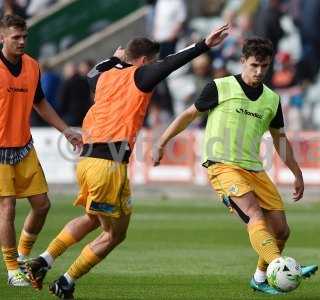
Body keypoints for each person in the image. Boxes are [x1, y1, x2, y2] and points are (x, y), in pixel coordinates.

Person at [25, 24, 230, 299]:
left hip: (87, 161)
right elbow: (171, 63)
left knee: (92, 219)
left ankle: (43, 260)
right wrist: (204, 45)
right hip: (108, 165)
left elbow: (91, 71)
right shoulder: (141, 75)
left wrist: (114, 58)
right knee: (114, 235)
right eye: (151, 62)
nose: (154, 66)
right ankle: (66, 281)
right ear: (144, 61)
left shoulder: (104, 76)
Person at [153, 37, 317, 295]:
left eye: (264, 66)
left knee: (282, 230)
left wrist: (297, 173)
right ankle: (282, 266)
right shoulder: (220, 87)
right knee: (254, 215)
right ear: (242, 62)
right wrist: (162, 141)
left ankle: (260, 278)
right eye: (254, 65)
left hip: (254, 169)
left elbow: (280, 141)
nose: (259, 71)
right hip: (222, 166)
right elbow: (188, 115)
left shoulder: (272, 100)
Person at [0, 14, 82, 287]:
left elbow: (40, 103)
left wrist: (66, 129)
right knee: (7, 208)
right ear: (2, 37)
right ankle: (13, 271)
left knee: (42, 205)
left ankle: (23, 255)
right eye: (16, 37)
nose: (22, 41)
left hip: (23, 147)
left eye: (24, 36)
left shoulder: (33, 66)